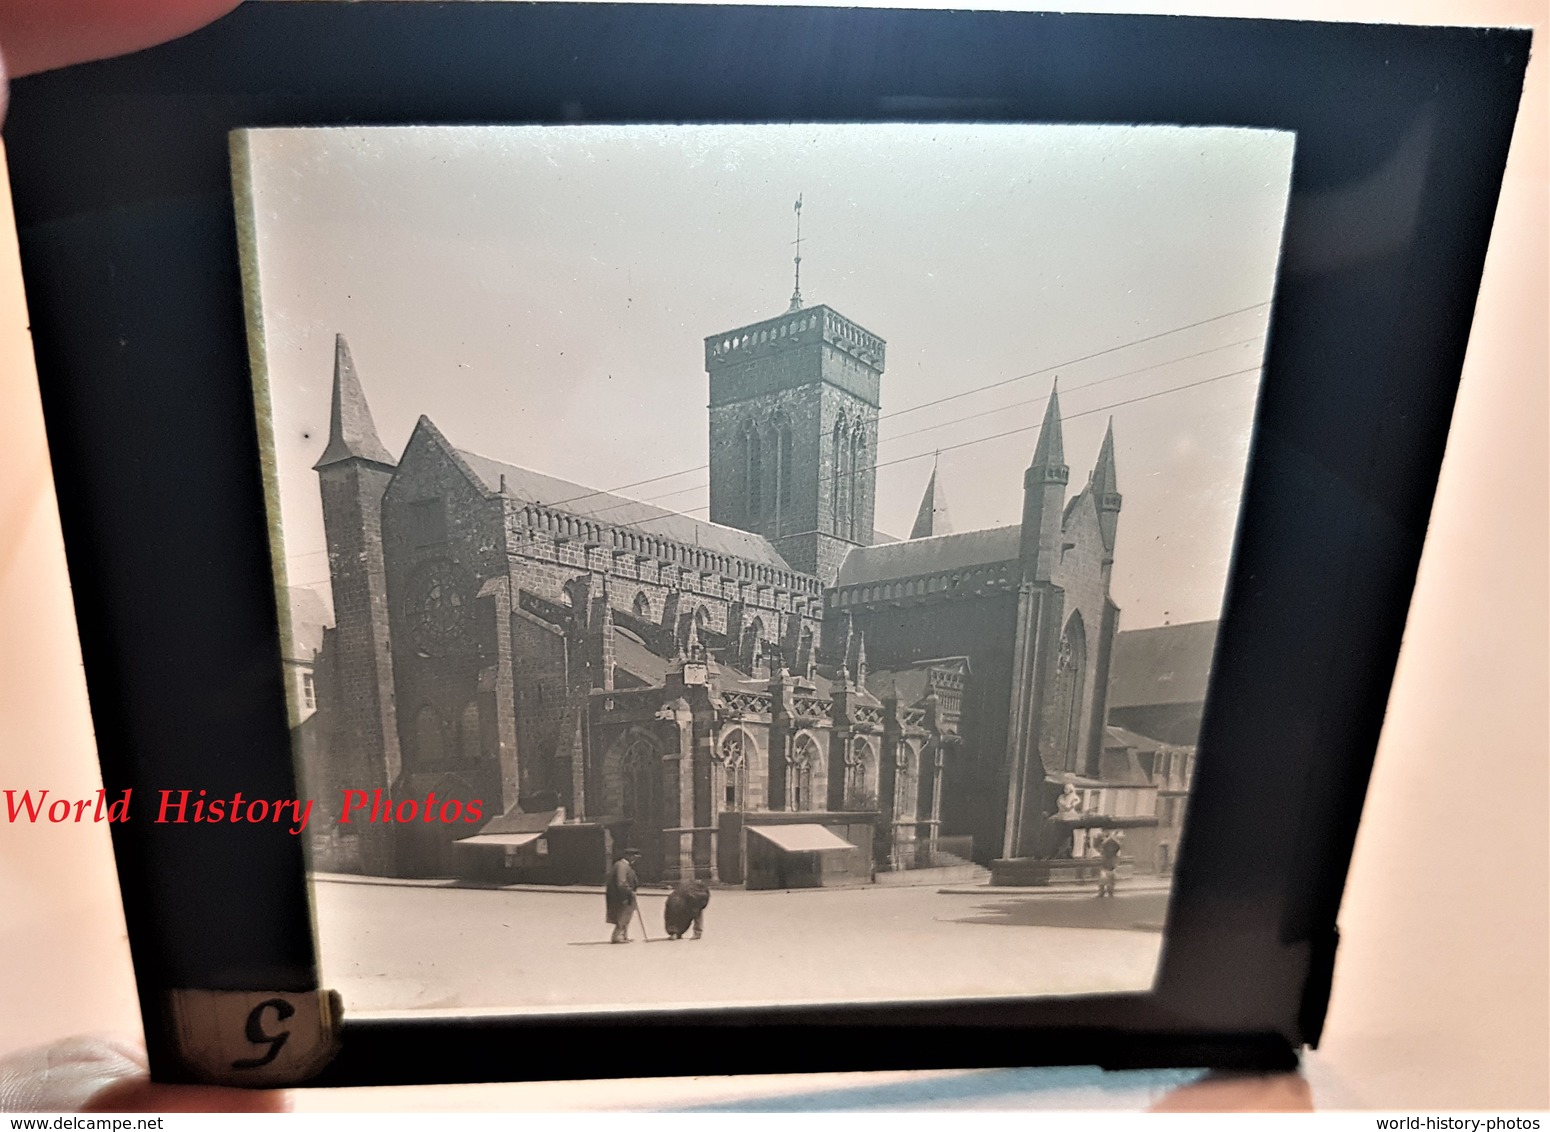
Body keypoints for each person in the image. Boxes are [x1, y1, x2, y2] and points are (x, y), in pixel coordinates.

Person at [605, 847, 642, 943]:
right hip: (621, 896)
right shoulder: (621, 866)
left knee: (626, 916)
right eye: (634, 857)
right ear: (628, 856)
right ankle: (617, 937)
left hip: (626, 896)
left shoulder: (625, 865)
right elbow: (621, 882)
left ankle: (624, 936)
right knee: (622, 916)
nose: (635, 859)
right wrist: (629, 891)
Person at [1095, 829, 1124, 898]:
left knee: (1104, 877)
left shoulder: (1107, 843)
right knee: (1110, 877)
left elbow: (1100, 847)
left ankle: (1102, 891)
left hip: (1106, 861)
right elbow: (1118, 849)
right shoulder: (1115, 843)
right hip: (1111, 861)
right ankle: (1109, 891)